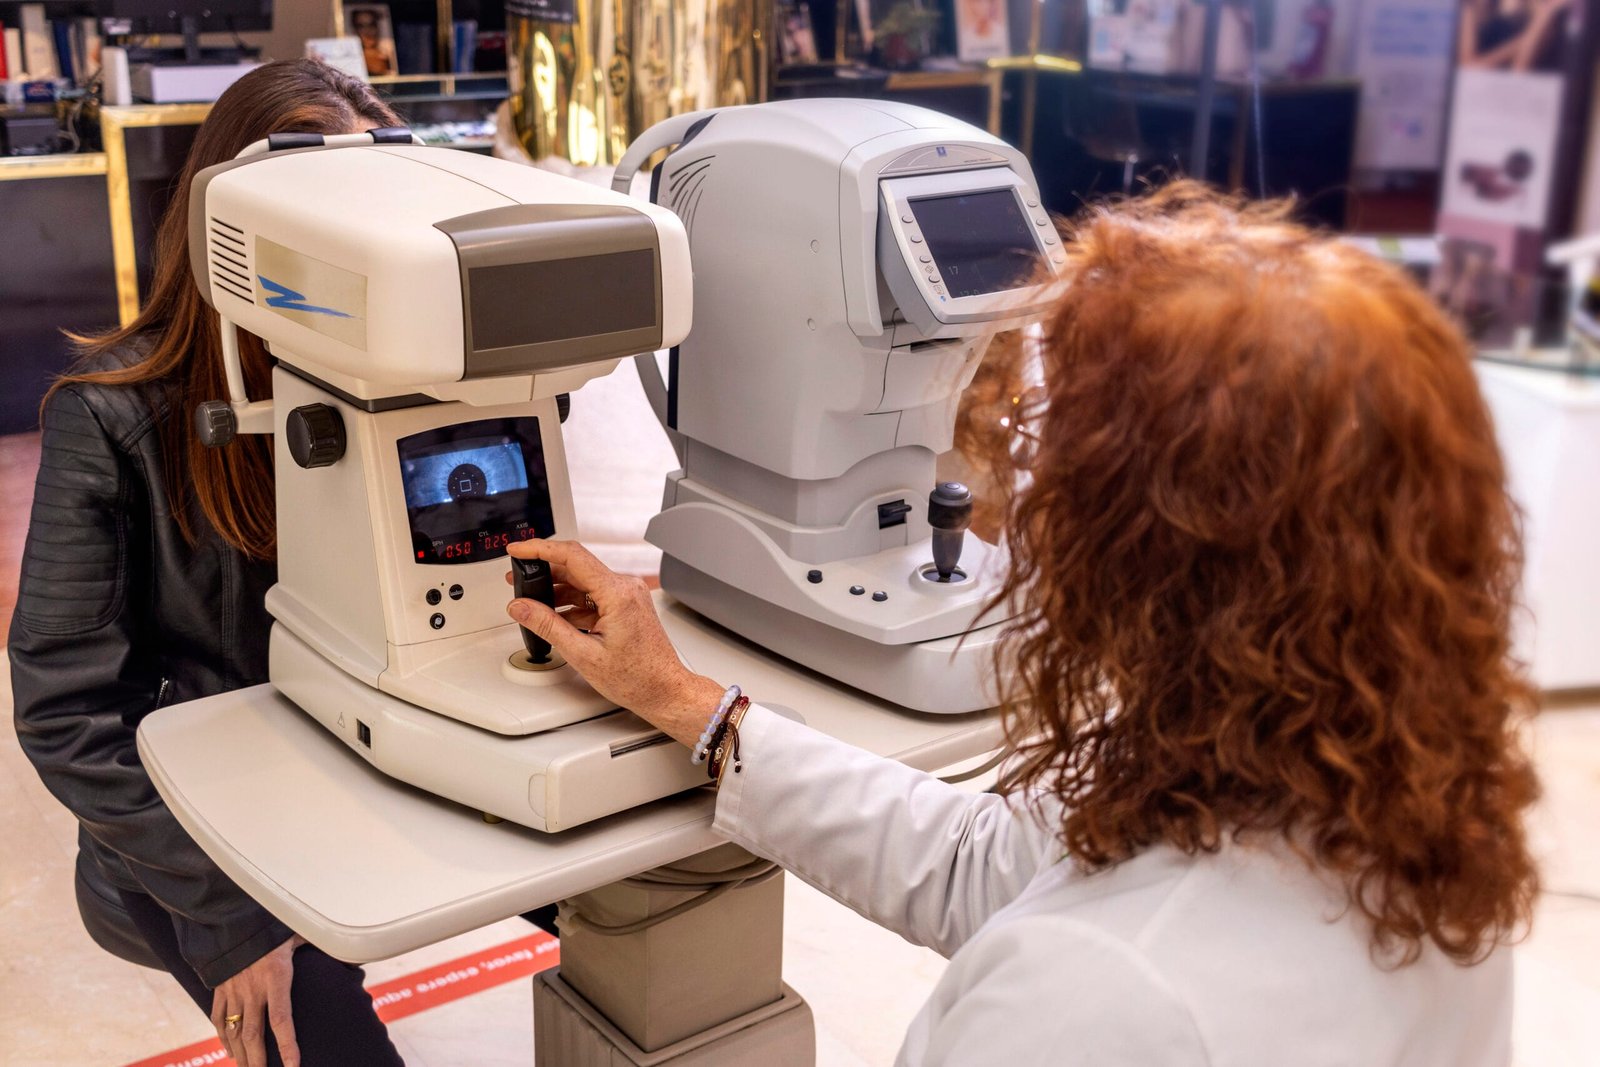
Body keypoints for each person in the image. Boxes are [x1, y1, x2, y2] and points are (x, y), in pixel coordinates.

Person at [503, 184, 1540, 1065]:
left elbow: (1071, 936)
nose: (1027, 461)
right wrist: (696, 707)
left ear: (1161, 546)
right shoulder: (1401, 821)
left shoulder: (1099, 999)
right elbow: (981, 860)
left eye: (1072, 444)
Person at [10, 60, 413, 1067]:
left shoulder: (405, 390)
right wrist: (230, 914)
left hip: (364, 777)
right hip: (191, 841)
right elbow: (67, 711)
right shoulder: (108, 415)